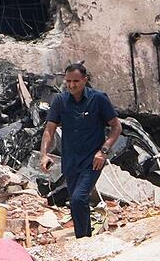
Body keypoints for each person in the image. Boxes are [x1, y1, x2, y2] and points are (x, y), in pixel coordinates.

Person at [39, 63, 122, 239]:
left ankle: (81, 239)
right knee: (78, 202)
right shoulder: (60, 101)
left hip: (93, 160)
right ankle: (86, 238)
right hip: (70, 161)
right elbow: (49, 130)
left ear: (85, 80)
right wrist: (44, 154)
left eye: (76, 81)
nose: (71, 85)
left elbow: (116, 127)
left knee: (78, 198)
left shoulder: (98, 99)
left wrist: (104, 150)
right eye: (68, 81)